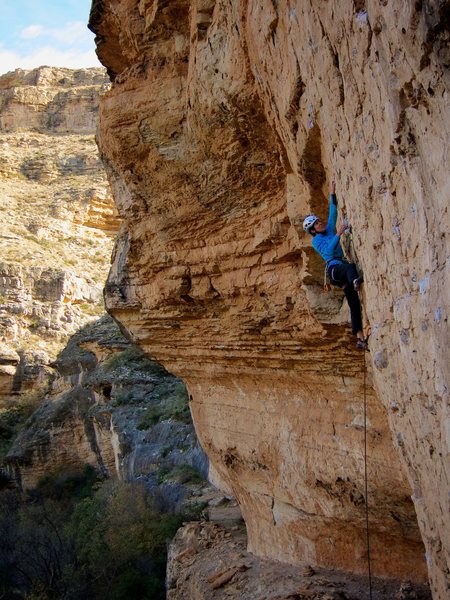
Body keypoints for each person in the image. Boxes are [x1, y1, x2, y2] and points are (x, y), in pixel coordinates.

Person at [303, 181, 368, 350]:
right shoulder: (316, 241)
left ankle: (360, 338)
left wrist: (332, 193)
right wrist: (339, 234)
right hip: (334, 270)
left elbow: (332, 212)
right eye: (316, 224)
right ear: (313, 230)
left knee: (354, 304)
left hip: (342, 271)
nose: (320, 223)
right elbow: (330, 251)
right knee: (349, 267)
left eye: (318, 221)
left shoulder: (329, 228)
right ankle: (355, 281)